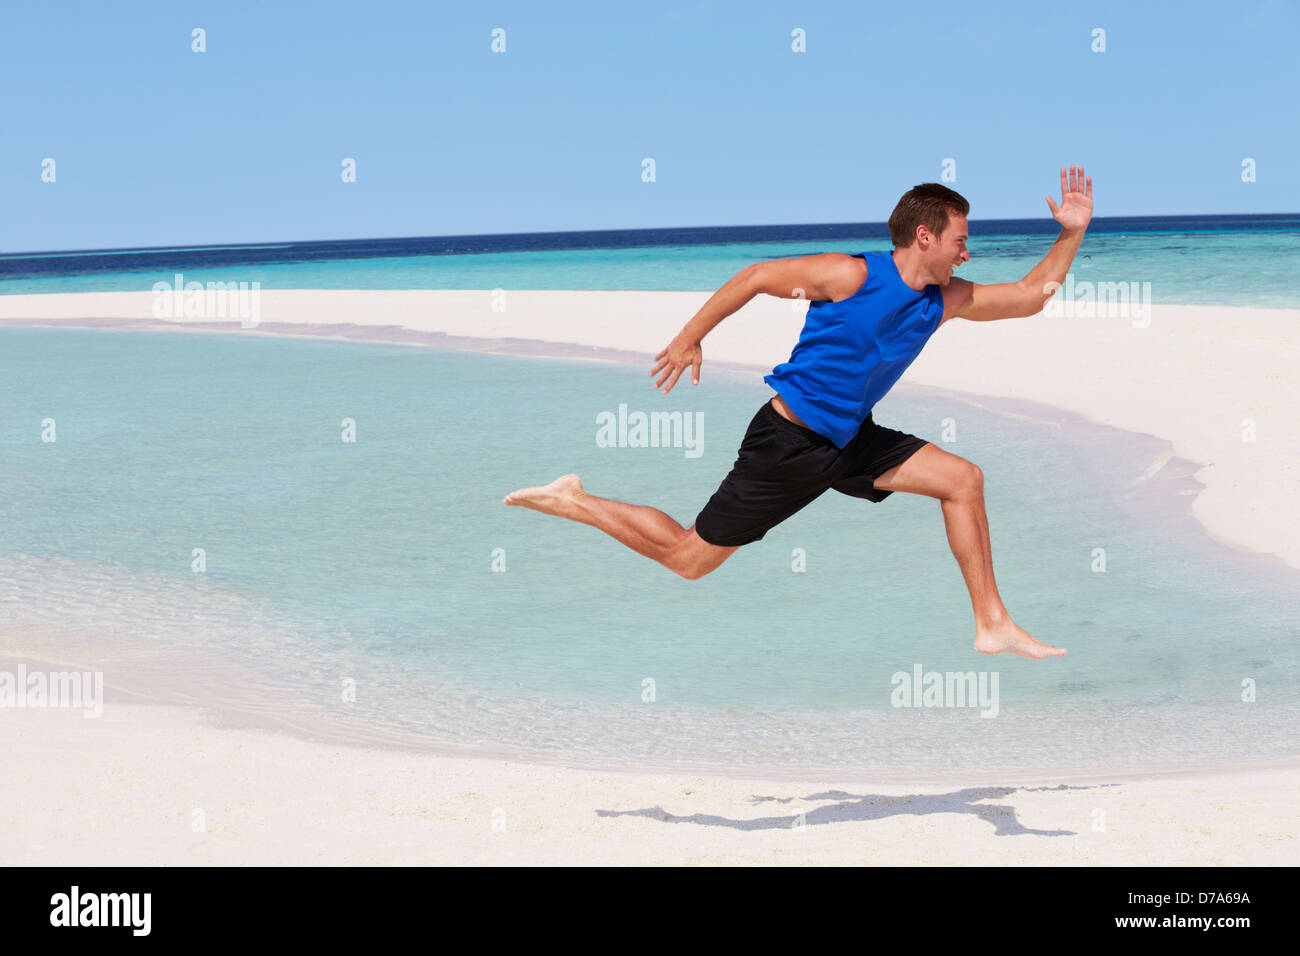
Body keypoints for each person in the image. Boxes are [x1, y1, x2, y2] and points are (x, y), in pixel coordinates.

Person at [505, 166, 1093, 659]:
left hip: (851, 442)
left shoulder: (944, 301)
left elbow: (1027, 298)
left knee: (963, 480)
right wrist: (690, 336)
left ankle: (991, 622)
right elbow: (758, 276)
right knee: (689, 559)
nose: (968, 252)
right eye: (960, 240)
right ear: (924, 237)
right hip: (788, 443)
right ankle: (576, 499)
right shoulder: (851, 274)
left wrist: (1070, 234)